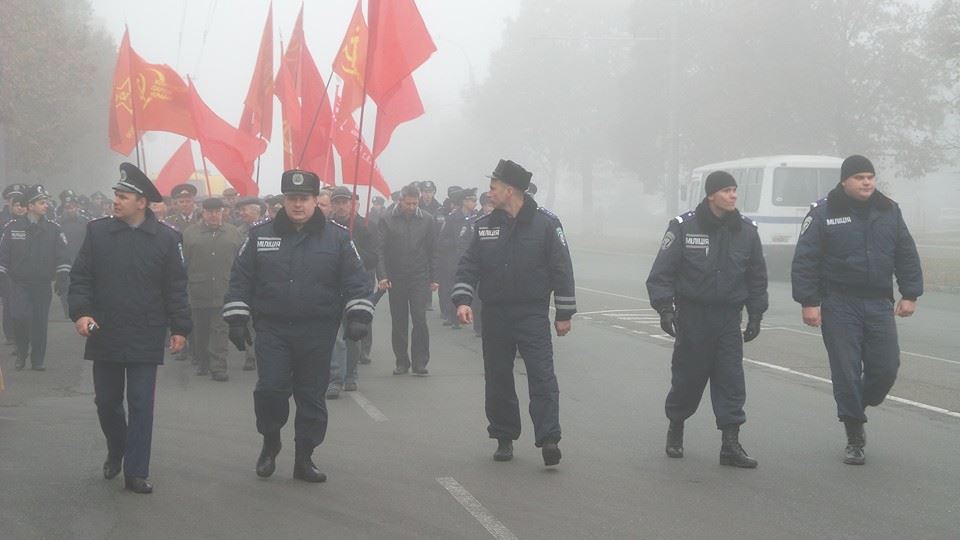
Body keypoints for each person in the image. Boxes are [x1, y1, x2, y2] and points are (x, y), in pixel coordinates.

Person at [223, 169, 373, 483]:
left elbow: (355, 280)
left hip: (318, 330)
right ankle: (270, 441)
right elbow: (240, 279)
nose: (298, 204)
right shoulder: (260, 235)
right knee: (270, 389)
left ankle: (304, 458)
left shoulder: (338, 237)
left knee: (311, 396)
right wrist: (236, 318)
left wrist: (359, 315)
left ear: (316, 200)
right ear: (284, 201)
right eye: (292, 198)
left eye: (304, 198)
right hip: (273, 328)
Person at [791, 155, 922, 465]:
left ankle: (858, 403)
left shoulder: (889, 210)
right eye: (860, 177)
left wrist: (910, 293)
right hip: (839, 303)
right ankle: (854, 434)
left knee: (886, 368)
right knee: (846, 371)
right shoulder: (823, 213)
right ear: (844, 181)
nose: (867, 182)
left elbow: (906, 253)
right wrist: (809, 302)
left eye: (870, 177)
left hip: (878, 302)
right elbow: (806, 259)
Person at [69, 163, 192, 494]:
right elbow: (81, 277)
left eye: (123, 196)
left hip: (145, 332)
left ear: (142, 202)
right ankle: (117, 447)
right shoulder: (97, 232)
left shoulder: (167, 238)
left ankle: (136, 471)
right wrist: (81, 313)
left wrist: (180, 327)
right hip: (105, 331)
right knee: (106, 402)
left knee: (141, 404)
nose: (116, 201)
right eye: (116, 195)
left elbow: (176, 287)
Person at [452, 159, 576, 467]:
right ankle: (504, 436)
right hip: (495, 314)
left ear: (510, 190)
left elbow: (561, 268)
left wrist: (564, 313)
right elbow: (469, 265)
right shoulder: (484, 225)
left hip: (532, 313)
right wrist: (463, 300)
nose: (489, 192)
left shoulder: (546, 224)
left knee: (542, 376)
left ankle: (549, 438)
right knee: (498, 377)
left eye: (493, 187)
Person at [645, 170, 768, 468]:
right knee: (687, 379)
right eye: (726, 190)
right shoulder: (684, 227)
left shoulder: (747, 231)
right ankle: (676, 426)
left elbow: (756, 277)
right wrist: (665, 308)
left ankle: (730, 444)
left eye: (735, 190)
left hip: (728, 318)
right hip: (693, 316)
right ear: (711, 195)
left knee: (731, 380)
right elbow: (662, 272)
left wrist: (755, 314)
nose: (733, 195)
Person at [0, 185, 71, 371]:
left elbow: (62, 255)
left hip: (41, 283)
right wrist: (2, 277)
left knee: (40, 322)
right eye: (41, 202)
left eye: (46, 202)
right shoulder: (12, 227)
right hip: (19, 283)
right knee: (20, 317)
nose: (46, 205)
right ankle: (22, 350)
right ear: (30, 206)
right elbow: (3, 255)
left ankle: (37, 359)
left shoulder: (53, 229)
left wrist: (62, 275)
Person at [376, 183, 438, 376]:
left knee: (419, 318)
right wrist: (383, 276)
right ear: (400, 200)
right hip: (396, 277)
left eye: (415, 204)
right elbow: (379, 250)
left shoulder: (427, 220)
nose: (411, 207)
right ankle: (402, 361)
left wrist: (434, 277)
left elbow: (433, 250)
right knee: (399, 320)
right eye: (408, 203)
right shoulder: (387, 219)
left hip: (419, 276)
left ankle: (420, 362)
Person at [182, 197, 245, 381]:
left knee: (220, 329)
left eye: (218, 211)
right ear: (203, 213)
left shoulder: (233, 233)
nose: (214, 215)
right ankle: (203, 361)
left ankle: (218, 366)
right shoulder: (190, 234)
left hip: (224, 289)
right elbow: (184, 262)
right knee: (200, 330)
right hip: (198, 290)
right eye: (210, 212)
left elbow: (241, 262)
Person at [325, 187, 378, 398]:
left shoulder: (365, 227)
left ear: (351, 203)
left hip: (356, 287)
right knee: (335, 336)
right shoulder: (325, 227)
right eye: (337, 202)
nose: (341, 206)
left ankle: (351, 374)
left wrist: (352, 248)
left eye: (344, 202)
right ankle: (335, 379)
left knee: (353, 334)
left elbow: (373, 258)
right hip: (331, 288)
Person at [438, 188, 477, 328]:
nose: (474, 203)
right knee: (451, 287)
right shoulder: (452, 219)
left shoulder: (476, 219)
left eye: (475, 200)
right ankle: (452, 316)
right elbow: (441, 240)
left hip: (470, 259)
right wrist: (455, 242)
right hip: (453, 259)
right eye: (472, 200)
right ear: (464, 201)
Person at [57, 193, 89, 318]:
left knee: (81, 286)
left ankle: (81, 310)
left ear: (77, 207)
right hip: (64, 261)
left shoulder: (86, 222)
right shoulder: (58, 224)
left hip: (82, 259)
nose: (70, 210)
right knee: (65, 287)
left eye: (73, 207)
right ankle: (68, 312)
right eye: (68, 207)